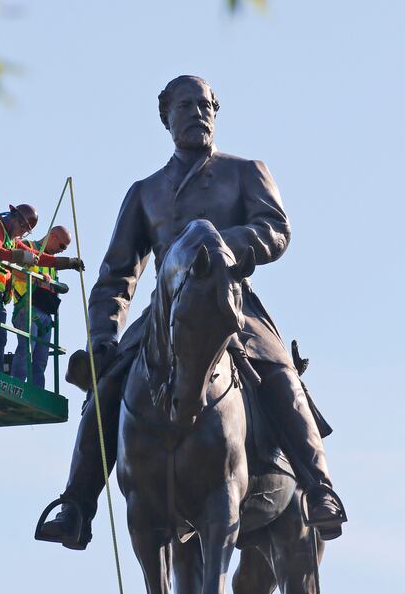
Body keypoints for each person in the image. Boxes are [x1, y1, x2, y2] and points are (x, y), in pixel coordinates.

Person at [37, 74, 346, 550]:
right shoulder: (146, 192)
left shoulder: (245, 171)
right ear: (166, 117)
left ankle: (320, 488)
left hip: (234, 305)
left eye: (206, 106)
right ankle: (77, 505)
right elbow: (118, 274)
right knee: (107, 387)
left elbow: (276, 229)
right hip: (165, 312)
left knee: (281, 376)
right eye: (186, 106)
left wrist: (226, 247)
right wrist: (103, 333)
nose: (198, 114)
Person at [0, 205, 82, 367]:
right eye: (23, 230)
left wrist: (68, 262)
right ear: (17, 221)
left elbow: (40, 258)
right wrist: (21, 256)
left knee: (1, 336)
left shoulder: (11, 239)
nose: (22, 234)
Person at [9, 225, 73, 387]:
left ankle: (37, 392)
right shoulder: (26, 248)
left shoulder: (52, 262)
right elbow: (13, 270)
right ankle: (16, 386)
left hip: (45, 314)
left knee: (41, 359)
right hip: (26, 308)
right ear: (52, 236)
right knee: (26, 351)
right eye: (62, 246)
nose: (62, 250)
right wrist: (37, 278)